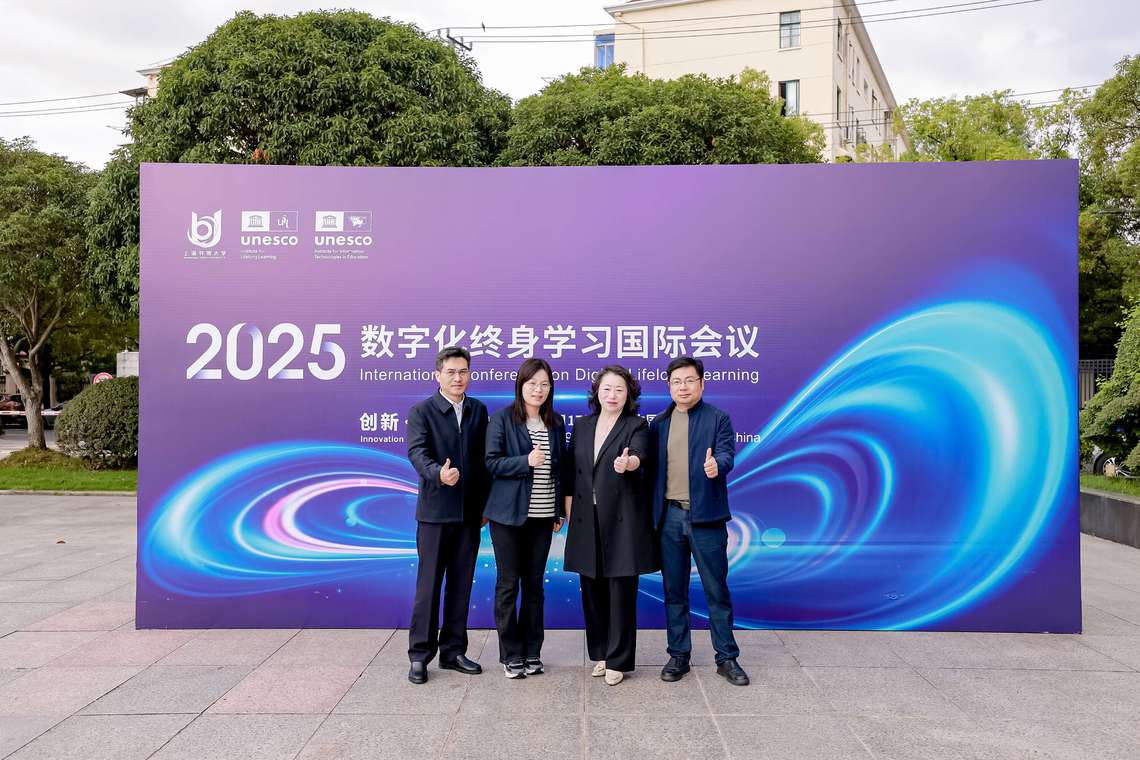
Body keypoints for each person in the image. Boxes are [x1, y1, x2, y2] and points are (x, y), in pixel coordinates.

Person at [649, 356, 750, 686]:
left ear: (702, 384)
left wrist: (716, 465)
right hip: (669, 517)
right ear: (669, 386)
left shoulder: (718, 418)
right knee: (673, 590)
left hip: (706, 517)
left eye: (689, 380)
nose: (683, 387)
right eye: (677, 382)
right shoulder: (659, 423)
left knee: (716, 590)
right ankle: (679, 655)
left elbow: (727, 454)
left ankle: (727, 657)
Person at [563, 365, 658, 686]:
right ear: (596, 393)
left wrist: (628, 463)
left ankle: (619, 659)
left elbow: (641, 456)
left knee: (621, 591)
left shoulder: (637, 425)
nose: (612, 395)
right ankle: (601, 654)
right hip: (585, 517)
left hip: (622, 519)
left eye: (619, 389)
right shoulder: (582, 426)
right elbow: (570, 472)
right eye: (606, 389)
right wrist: (568, 512)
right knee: (592, 589)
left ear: (629, 394)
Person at [405, 346, 490, 684]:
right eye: (451, 372)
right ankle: (419, 655)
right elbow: (417, 453)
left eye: (463, 372)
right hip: (435, 514)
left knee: (460, 585)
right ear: (437, 375)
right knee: (428, 586)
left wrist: (484, 506)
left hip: (469, 515)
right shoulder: (422, 411)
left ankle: (453, 651)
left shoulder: (478, 410)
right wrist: (437, 474)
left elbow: (484, 463)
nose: (458, 378)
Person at [484, 358, 567, 679]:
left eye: (544, 384)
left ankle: (533, 651)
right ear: (521, 385)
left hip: (543, 517)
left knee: (534, 586)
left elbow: (560, 469)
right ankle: (511, 654)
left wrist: (558, 510)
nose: (538, 390)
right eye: (532, 383)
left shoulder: (555, 423)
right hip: (508, 516)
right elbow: (492, 463)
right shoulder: (502, 419)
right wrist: (525, 461)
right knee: (508, 584)